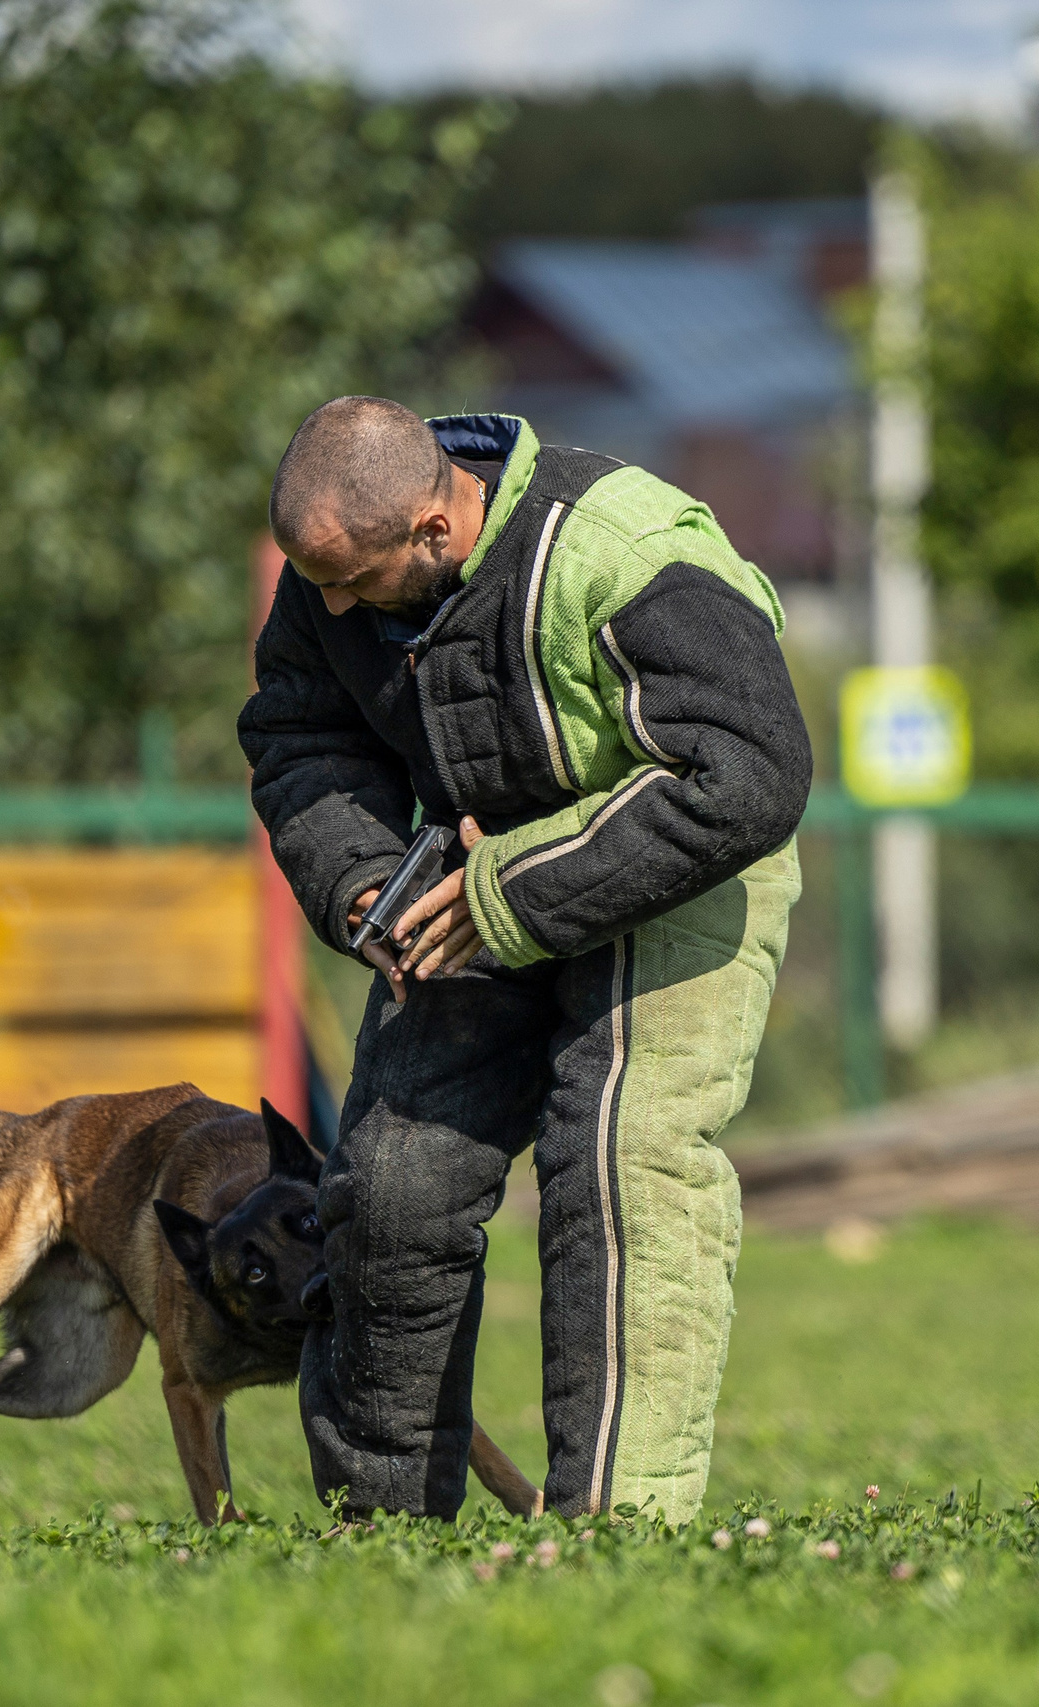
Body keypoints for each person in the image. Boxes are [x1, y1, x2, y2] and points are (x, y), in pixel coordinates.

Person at [238, 398, 811, 1524]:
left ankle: (617, 1524)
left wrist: (506, 891)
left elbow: (747, 771)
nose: (332, 604)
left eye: (351, 580)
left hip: (681, 860)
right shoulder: (329, 577)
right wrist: (364, 881)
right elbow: (303, 739)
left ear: (433, 527)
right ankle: (381, 1526)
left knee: (618, 1154)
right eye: (317, 582)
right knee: (389, 1183)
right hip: (469, 875)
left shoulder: (624, 550)